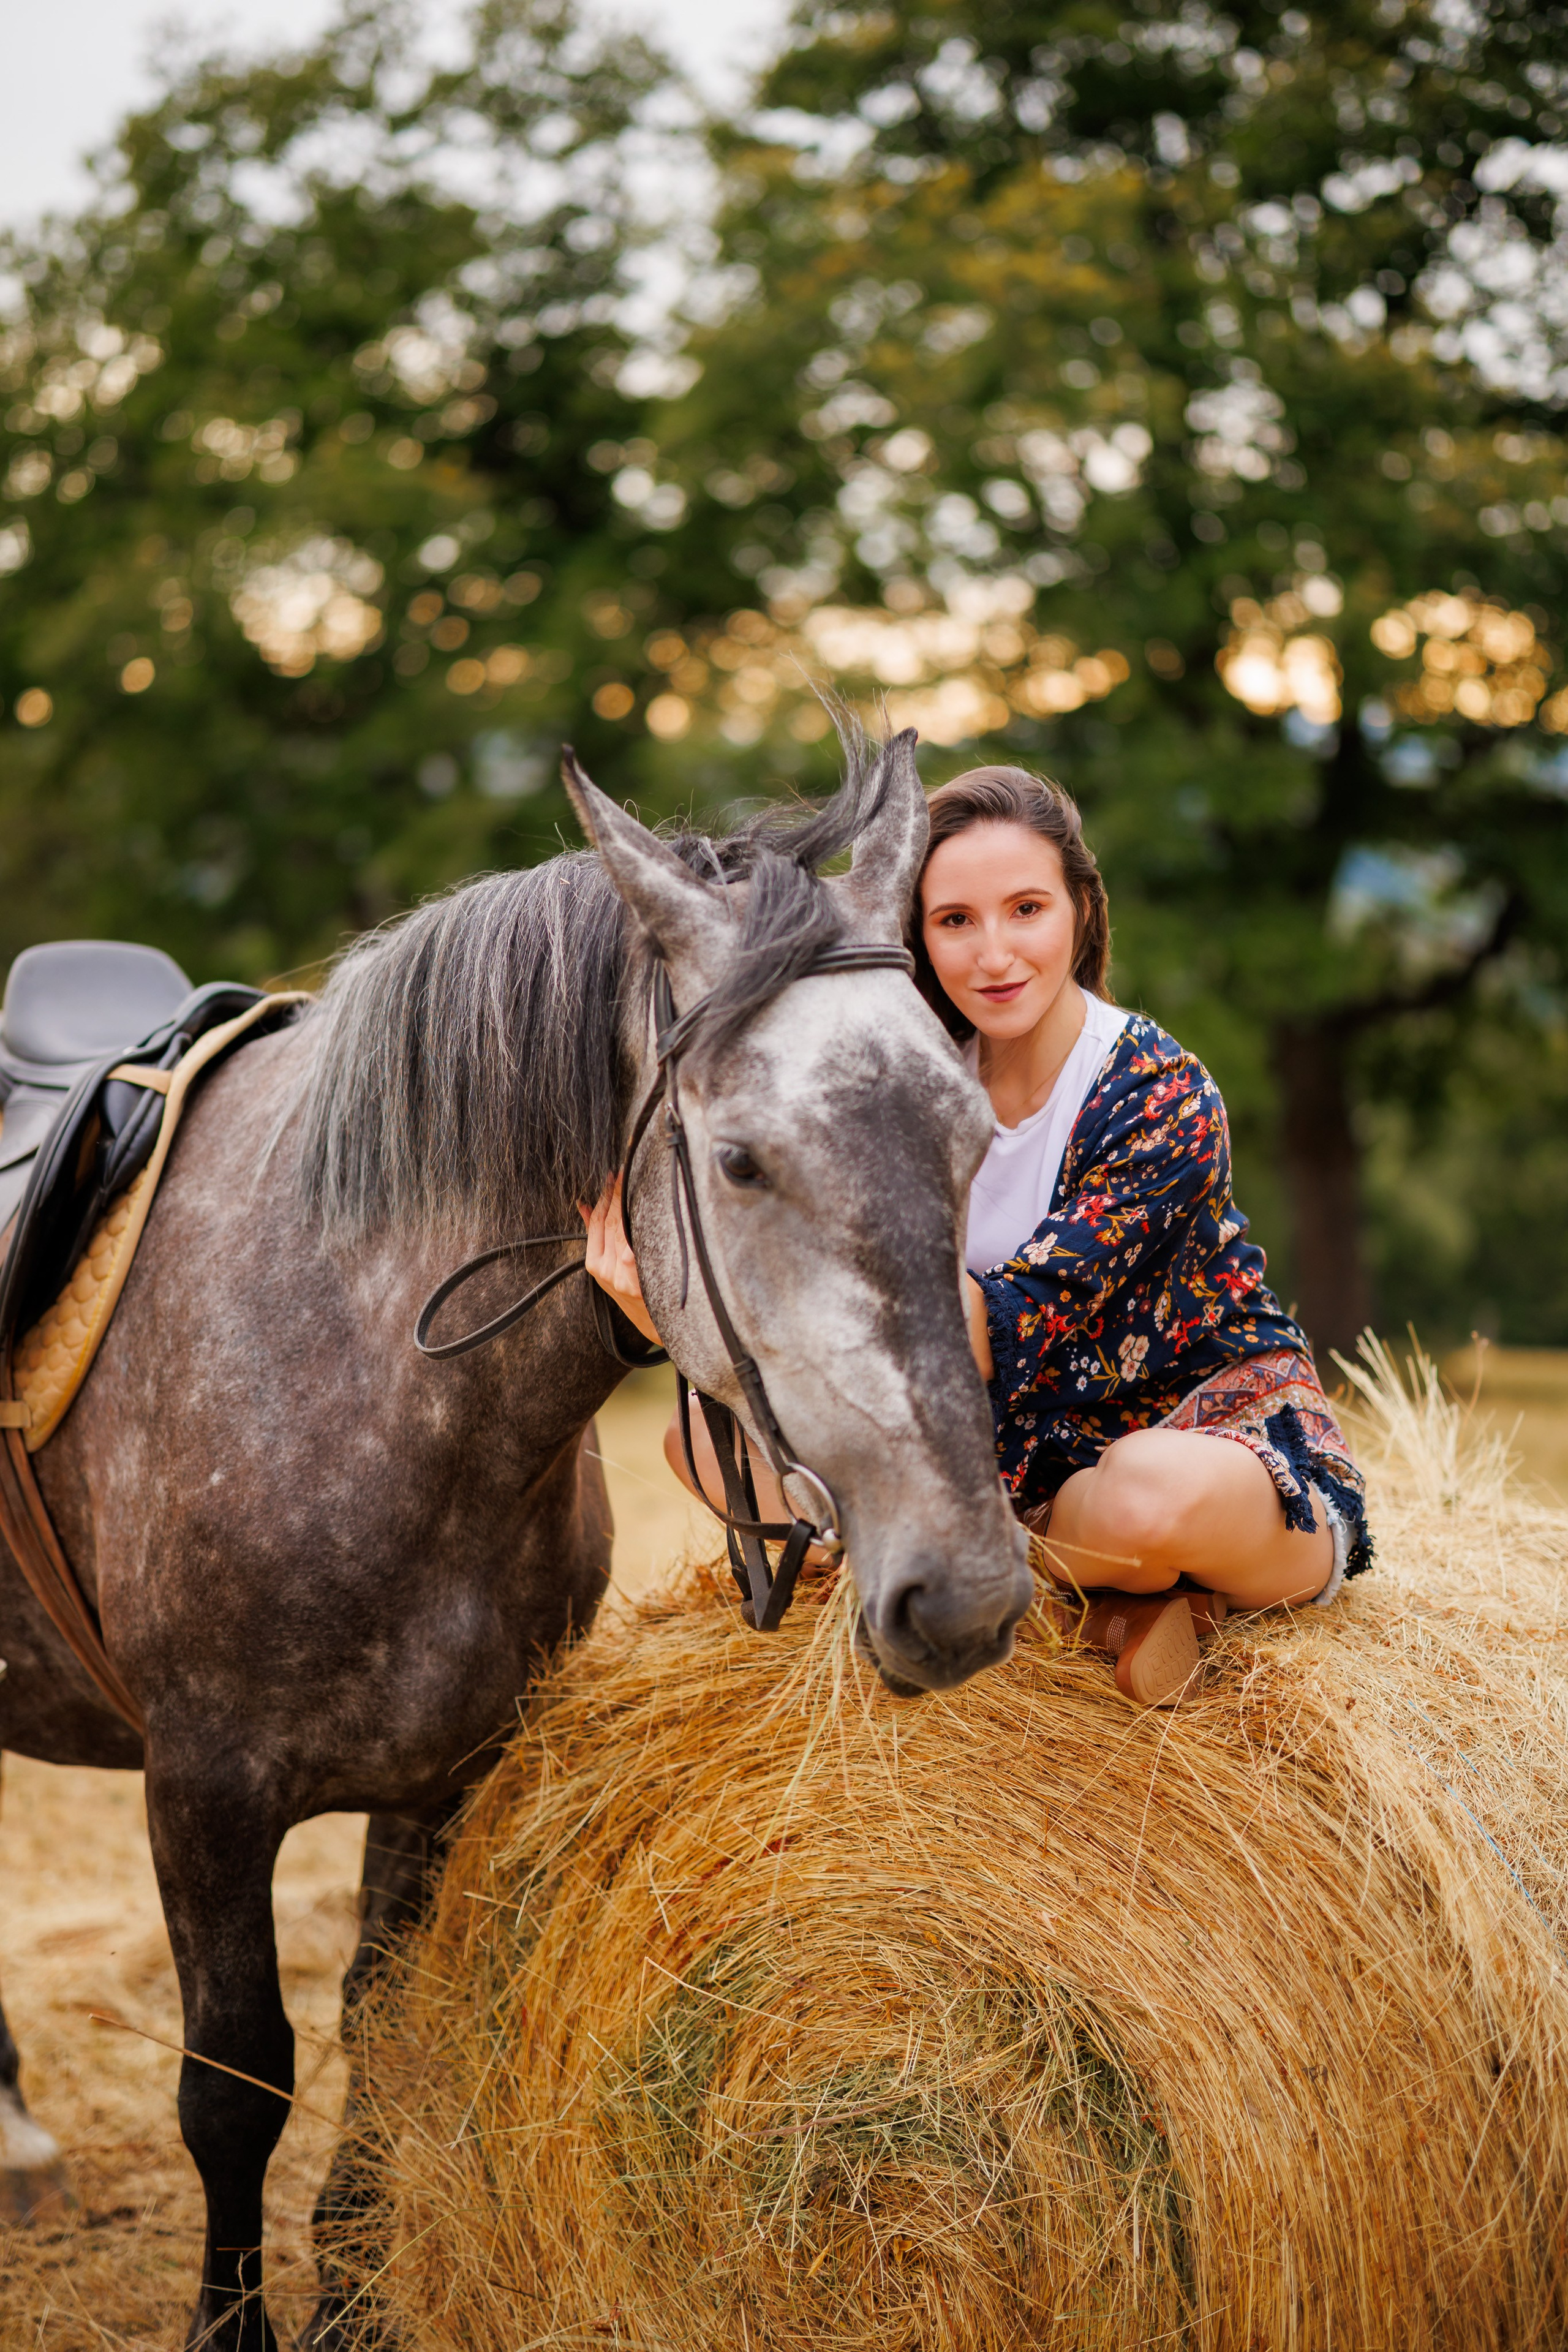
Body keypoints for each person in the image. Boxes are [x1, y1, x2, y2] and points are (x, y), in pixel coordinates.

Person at [582, 764, 1371, 1705]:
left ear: (1080, 909)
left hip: (1197, 1439)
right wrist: (665, 1293)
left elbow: (991, 1329)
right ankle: (1093, 1607)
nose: (994, 954)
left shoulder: (1161, 1092)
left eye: (1026, 909)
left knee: (1142, 1497)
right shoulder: (907, 1077)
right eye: (955, 921)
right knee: (702, 1444)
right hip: (996, 1459)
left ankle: (1108, 1587)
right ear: (916, 933)